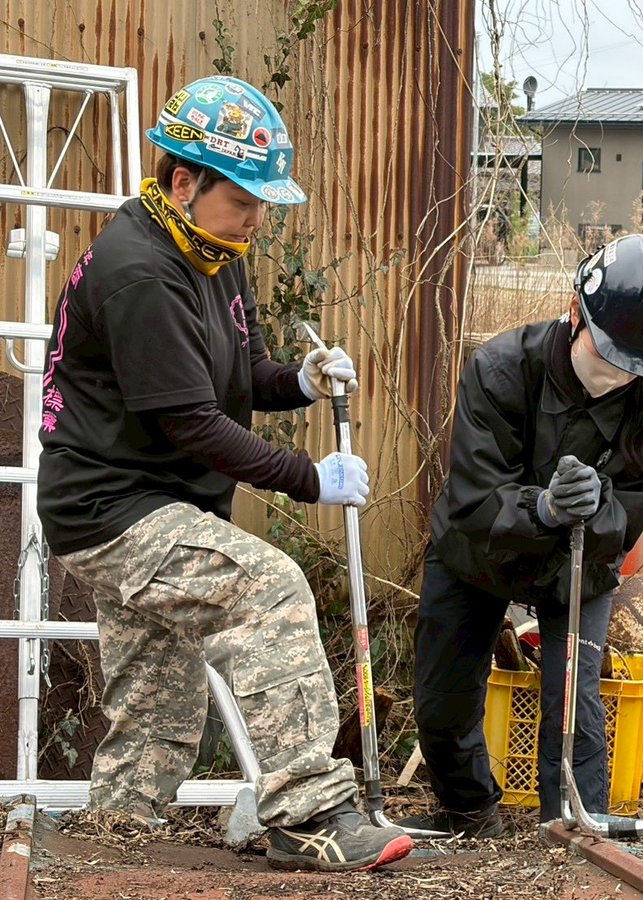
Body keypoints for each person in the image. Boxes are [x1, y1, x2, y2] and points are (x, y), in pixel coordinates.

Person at [37, 75, 412, 872]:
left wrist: (300, 380)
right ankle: (310, 812)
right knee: (268, 588)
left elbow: (239, 377)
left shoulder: (213, 253)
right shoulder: (140, 271)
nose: (256, 219)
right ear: (184, 183)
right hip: (111, 507)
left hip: (151, 501)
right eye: (243, 200)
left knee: (155, 700)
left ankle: (112, 845)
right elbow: (193, 424)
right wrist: (310, 477)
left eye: (261, 203)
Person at [398, 233, 643, 836]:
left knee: (575, 705)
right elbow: (474, 500)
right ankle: (468, 811)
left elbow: (621, 531)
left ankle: (573, 833)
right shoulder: (500, 369)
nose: (616, 375)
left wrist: (598, 506)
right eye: (608, 355)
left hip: (576, 569)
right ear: (574, 312)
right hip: (477, 552)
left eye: (634, 368)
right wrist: (543, 507)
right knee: (441, 702)